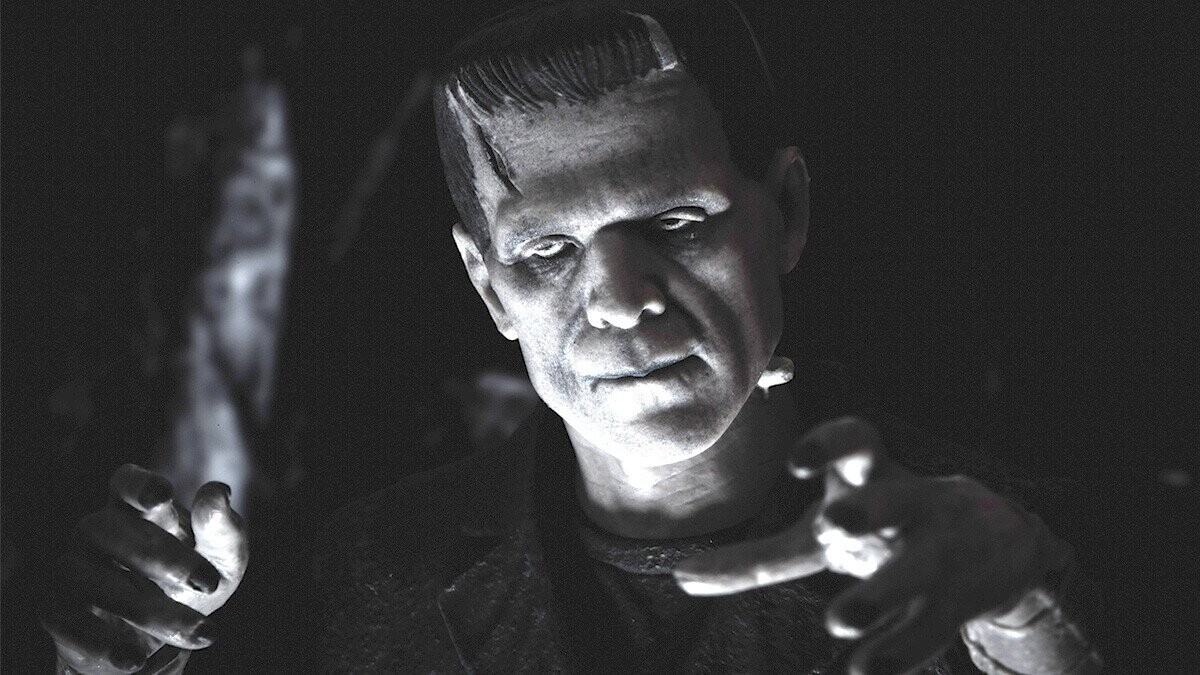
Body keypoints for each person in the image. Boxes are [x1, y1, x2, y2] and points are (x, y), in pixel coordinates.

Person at [39, 1, 1102, 673]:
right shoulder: (356, 581)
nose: (621, 299)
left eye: (675, 222)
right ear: (487, 285)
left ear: (786, 212)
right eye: (547, 250)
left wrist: (1034, 627)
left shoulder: (1024, 549)